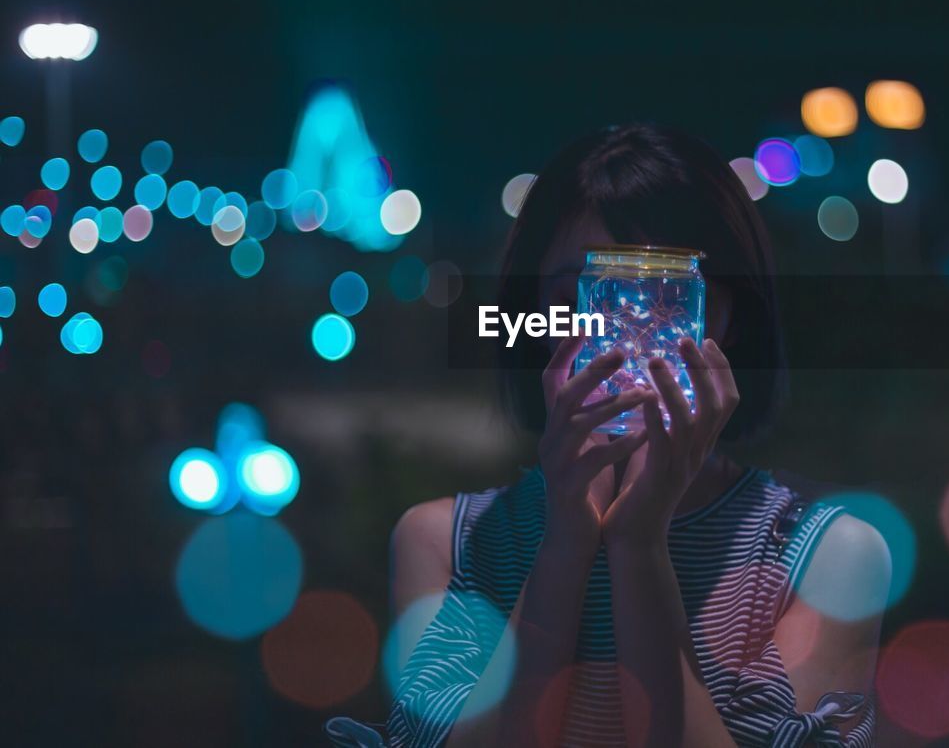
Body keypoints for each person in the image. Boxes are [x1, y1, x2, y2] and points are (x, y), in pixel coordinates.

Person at [329, 123, 890, 747]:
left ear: (727, 315)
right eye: (581, 298)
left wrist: (639, 545)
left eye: (663, 297)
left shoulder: (829, 557)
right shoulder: (449, 545)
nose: (623, 337)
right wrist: (565, 543)